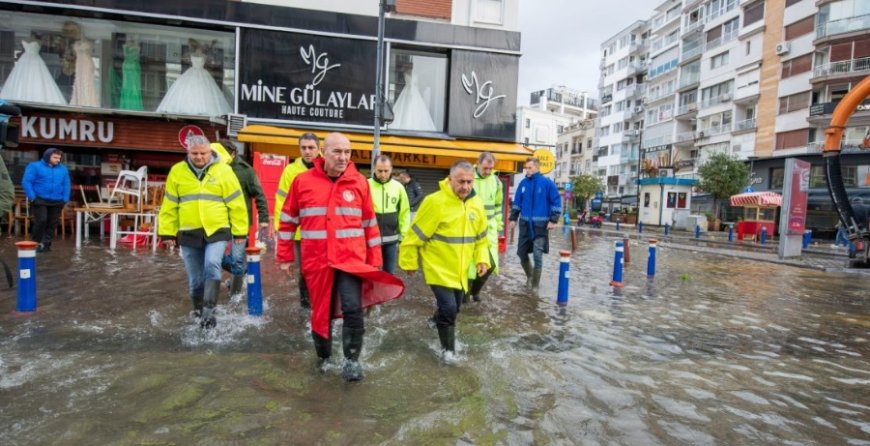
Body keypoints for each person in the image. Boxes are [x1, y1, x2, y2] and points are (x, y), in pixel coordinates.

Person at [276, 132, 403, 382]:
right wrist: (285, 256)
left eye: (347, 152)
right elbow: (288, 220)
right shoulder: (302, 181)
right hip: (317, 260)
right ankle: (323, 360)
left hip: (350, 260)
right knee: (319, 312)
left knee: (353, 308)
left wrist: (375, 259)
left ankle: (351, 361)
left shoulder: (359, 183)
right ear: (324, 152)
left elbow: (370, 224)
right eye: (337, 152)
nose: (343, 157)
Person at [399, 160, 490, 359]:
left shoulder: (476, 204)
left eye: (469, 182)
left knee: (455, 307)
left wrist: (482, 259)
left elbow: (482, 239)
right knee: (449, 309)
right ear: (450, 180)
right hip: (437, 268)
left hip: (461, 270)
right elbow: (413, 236)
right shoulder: (434, 202)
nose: (466, 186)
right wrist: (409, 262)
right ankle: (448, 353)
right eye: (461, 182)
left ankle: (434, 322)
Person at [158, 135, 248, 329]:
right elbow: (169, 205)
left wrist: (240, 232)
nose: (199, 157)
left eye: (203, 153)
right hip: (189, 232)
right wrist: (167, 233)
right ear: (188, 153)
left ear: (211, 151)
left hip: (217, 229)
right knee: (195, 280)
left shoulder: (224, 171)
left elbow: (236, 203)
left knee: (212, 264)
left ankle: (209, 311)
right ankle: (199, 314)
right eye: (194, 153)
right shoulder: (177, 171)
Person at [216, 139, 270, 296]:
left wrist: (264, 218)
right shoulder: (214, 169)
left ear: (232, 154)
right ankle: (242, 273)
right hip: (218, 221)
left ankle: (235, 295)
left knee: (237, 259)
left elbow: (259, 194)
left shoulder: (246, 171)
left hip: (240, 221)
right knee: (216, 258)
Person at [274, 133, 321, 309]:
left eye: (311, 148)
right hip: (301, 232)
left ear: (319, 148)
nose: (307, 151)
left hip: (325, 230)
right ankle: (306, 306)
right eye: (304, 148)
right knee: (305, 271)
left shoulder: (328, 166)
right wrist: (282, 229)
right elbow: (282, 202)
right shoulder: (290, 171)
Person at [508, 157, 562, 293]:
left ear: (537, 168)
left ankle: (535, 287)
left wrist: (553, 220)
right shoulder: (523, 184)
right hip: (525, 225)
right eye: (526, 167)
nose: (527, 170)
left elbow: (556, 201)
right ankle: (530, 276)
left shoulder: (547, 183)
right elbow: (517, 202)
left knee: (538, 255)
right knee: (521, 253)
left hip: (541, 226)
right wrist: (513, 218)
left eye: (530, 167)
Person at [465, 152, 503, 303]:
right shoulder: (468, 178)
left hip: (489, 229)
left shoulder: (496, 181)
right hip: (469, 227)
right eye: (485, 168)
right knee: (468, 264)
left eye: (490, 168)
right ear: (478, 163)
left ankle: (475, 291)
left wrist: (498, 226)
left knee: (491, 264)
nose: (488, 172)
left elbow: (498, 205)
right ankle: (465, 295)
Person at [22, 147, 70, 253]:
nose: (58, 160)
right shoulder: (34, 166)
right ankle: (35, 243)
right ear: (48, 156)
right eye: (55, 157)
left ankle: (46, 244)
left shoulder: (63, 169)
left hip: (57, 200)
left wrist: (65, 198)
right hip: (39, 198)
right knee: (42, 220)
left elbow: (66, 184)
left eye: (59, 158)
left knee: (52, 223)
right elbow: (26, 182)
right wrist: (32, 196)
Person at [367, 155, 410, 274]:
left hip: (391, 240)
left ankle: (386, 293)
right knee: (370, 271)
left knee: (389, 273)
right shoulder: (366, 185)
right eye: (379, 171)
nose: (383, 174)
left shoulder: (398, 187)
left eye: (386, 171)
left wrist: (404, 236)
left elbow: (404, 212)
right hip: (370, 240)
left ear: (391, 169)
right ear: (374, 169)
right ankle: (370, 293)